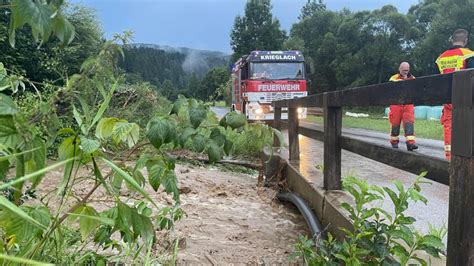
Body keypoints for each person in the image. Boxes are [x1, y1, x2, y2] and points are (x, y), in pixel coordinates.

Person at [435, 29, 474, 160]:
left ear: (452, 39)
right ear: (466, 40)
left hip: (447, 99)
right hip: (466, 99)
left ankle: (449, 157)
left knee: (449, 126)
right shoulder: (468, 55)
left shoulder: (440, 58)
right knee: (468, 126)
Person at [388, 62, 418, 151]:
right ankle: (394, 142)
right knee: (395, 124)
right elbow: (391, 85)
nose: (405, 72)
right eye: (404, 70)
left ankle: (410, 143)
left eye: (407, 70)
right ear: (399, 69)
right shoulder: (394, 78)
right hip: (396, 104)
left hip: (408, 104)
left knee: (409, 123)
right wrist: (404, 81)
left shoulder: (413, 78)